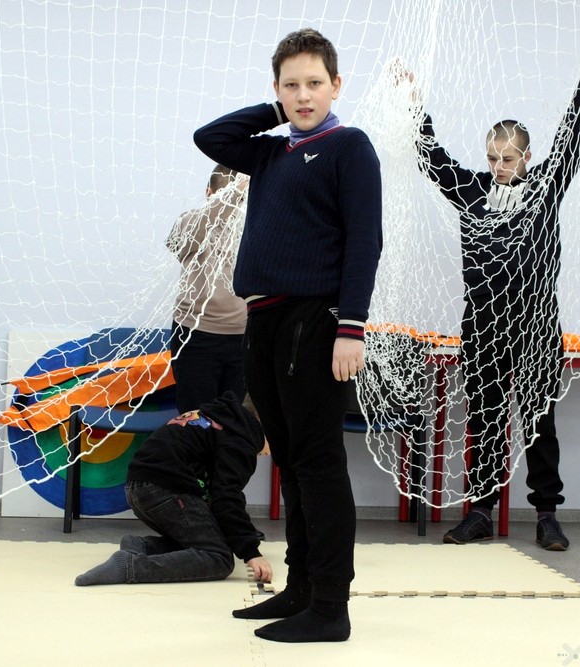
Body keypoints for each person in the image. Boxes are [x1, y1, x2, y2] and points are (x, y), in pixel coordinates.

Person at [193, 28, 383, 643]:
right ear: (276, 89)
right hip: (264, 320)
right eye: (291, 85)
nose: (304, 95)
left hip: (317, 321)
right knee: (293, 465)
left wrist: (351, 327)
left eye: (315, 83)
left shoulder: (349, 146)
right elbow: (211, 138)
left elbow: (364, 242)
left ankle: (330, 606)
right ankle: (300, 588)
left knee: (319, 464)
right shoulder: (271, 153)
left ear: (336, 85)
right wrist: (275, 113)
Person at [412, 24, 580, 551]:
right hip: (483, 325)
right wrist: (415, 108)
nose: (498, 167)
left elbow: (574, 138)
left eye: (507, 159)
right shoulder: (473, 190)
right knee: (485, 418)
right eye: (492, 158)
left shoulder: (545, 186)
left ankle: (547, 516)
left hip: (537, 325)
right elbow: (432, 159)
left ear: (525, 157)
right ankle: (480, 512)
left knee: (541, 422)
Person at [74, 392, 271, 586]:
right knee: (219, 557)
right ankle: (129, 566)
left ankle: (143, 547)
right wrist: (251, 552)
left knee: (212, 539)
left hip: (138, 487)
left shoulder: (221, 417)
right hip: (165, 489)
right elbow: (227, 497)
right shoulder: (240, 441)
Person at [167, 165, 249, 414]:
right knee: (195, 420)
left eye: (240, 200)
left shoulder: (250, 230)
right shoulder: (189, 222)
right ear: (208, 193)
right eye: (225, 197)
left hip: (242, 338)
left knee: (233, 421)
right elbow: (182, 239)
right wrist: (237, 190)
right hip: (195, 335)